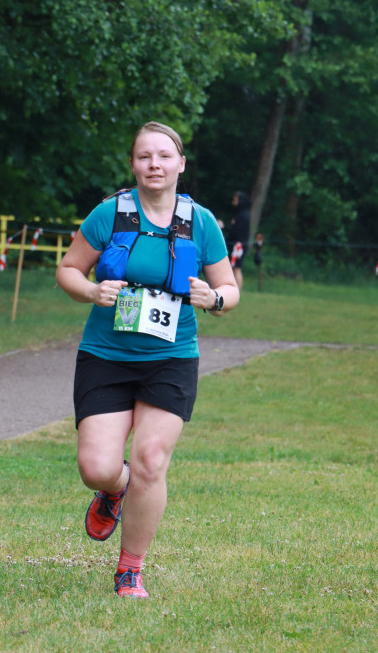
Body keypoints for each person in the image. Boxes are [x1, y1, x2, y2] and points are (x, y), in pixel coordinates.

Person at [56, 121, 239, 599]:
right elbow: (68, 269)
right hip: (107, 355)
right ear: (133, 164)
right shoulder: (109, 213)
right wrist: (93, 290)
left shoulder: (201, 223)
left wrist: (213, 298)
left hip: (171, 357)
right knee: (96, 467)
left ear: (180, 164)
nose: (153, 165)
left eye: (163, 156)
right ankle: (115, 491)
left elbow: (230, 289)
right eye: (144, 157)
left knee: (151, 459)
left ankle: (130, 570)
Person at [227, 190, 251, 289]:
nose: (234, 199)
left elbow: (236, 231)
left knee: (237, 268)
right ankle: (234, 289)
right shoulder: (241, 214)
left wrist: (224, 227)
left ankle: (237, 290)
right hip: (238, 245)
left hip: (238, 246)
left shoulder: (242, 216)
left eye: (236, 198)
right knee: (235, 267)